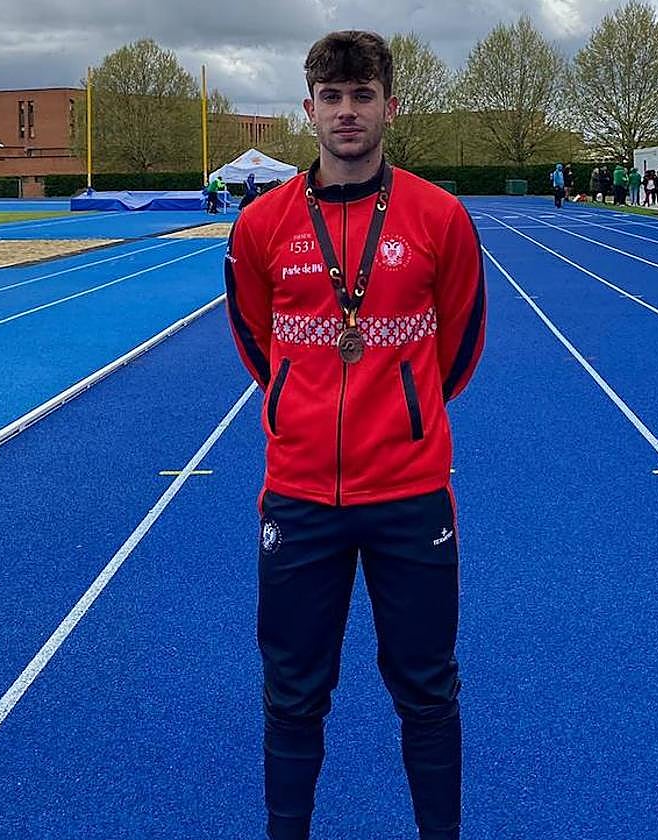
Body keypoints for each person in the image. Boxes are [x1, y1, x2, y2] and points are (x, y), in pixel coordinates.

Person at [224, 29, 486, 840]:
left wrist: (401, 412)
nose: (347, 112)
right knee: (292, 694)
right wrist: (303, 406)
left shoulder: (439, 217)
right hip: (300, 498)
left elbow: (461, 346)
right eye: (331, 98)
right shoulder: (261, 226)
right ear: (309, 110)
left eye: (362, 95)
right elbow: (256, 344)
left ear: (389, 107)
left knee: (428, 690)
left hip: (410, 495)